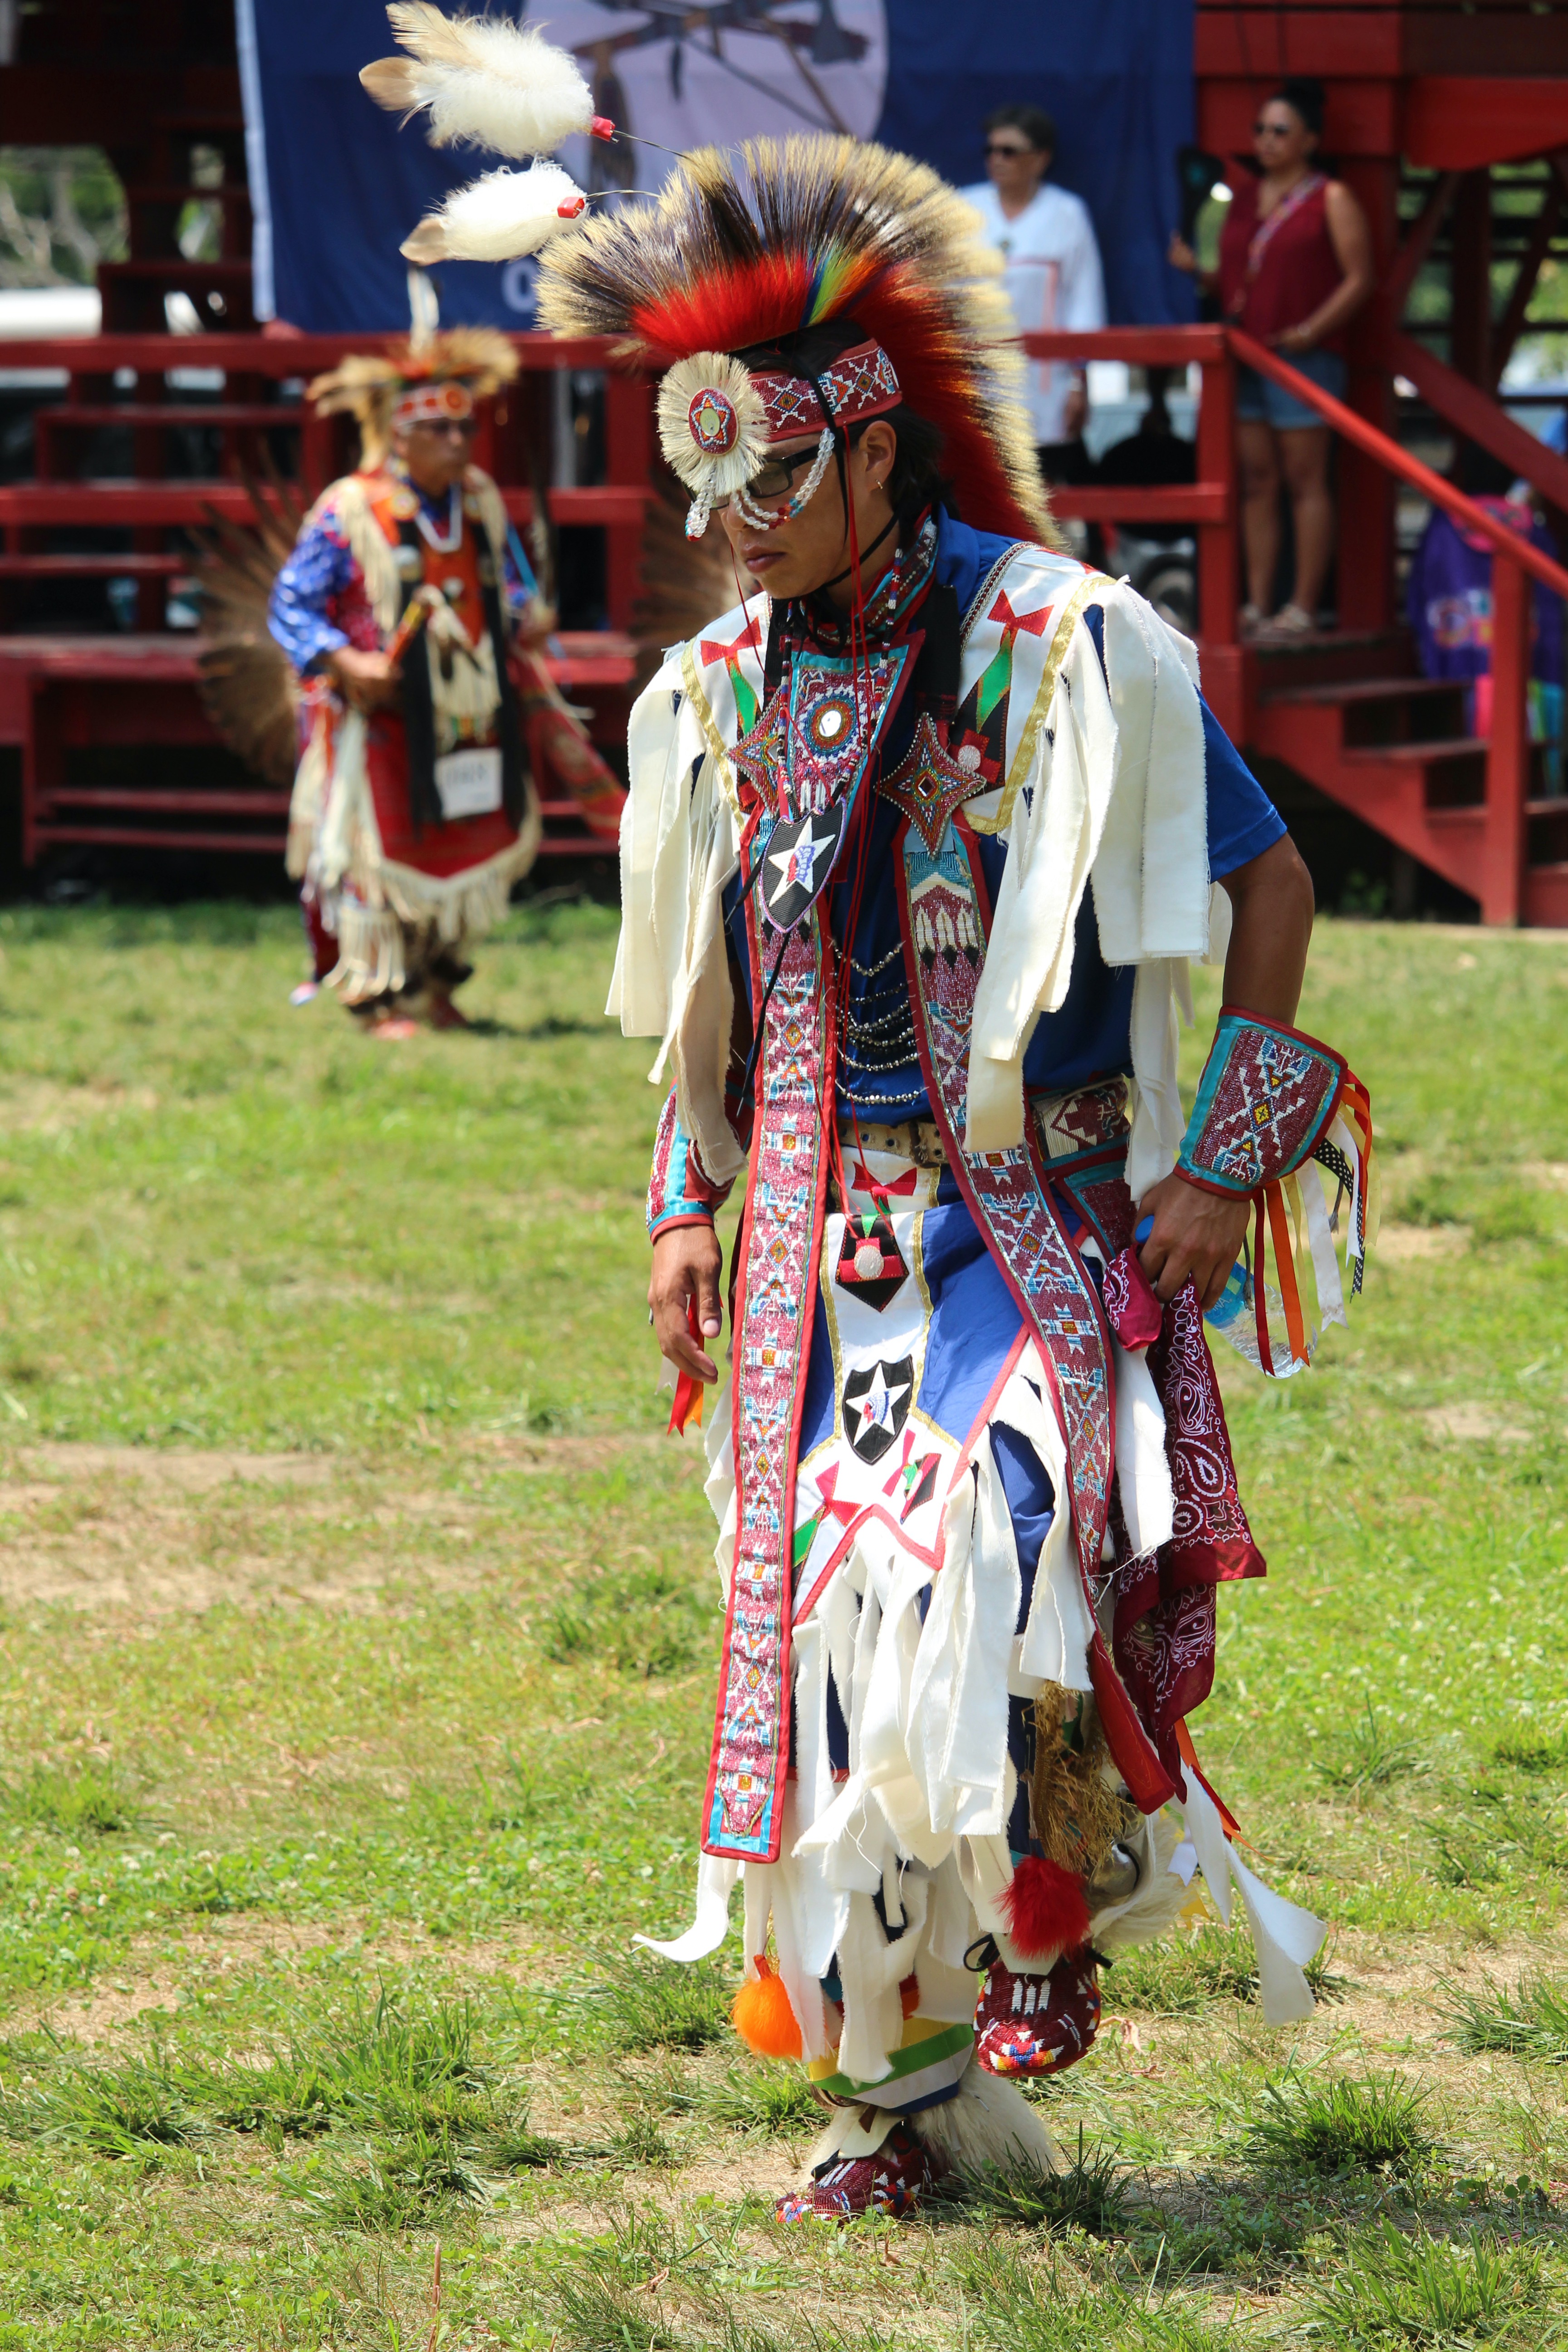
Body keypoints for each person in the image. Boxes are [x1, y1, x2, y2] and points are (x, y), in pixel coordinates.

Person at [535, 130, 1376, 2223]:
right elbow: (718, 980)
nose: (728, 532)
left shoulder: (1058, 640)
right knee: (832, 1649)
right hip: (822, 1242)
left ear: (873, 453)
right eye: (703, 490)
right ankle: (897, 2109)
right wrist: (678, 1197)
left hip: (1034, 1224)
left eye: (767, 486)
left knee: (982, 1574)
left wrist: (1219, 1168)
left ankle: (1038, 1889)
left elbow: (1267, 875)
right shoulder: (735, 686)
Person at [267, 331, 624, 1033]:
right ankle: (376, 995)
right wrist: (345, 661)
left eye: (465, 427)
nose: (458, 442)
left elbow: (506, 586)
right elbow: (291, 604)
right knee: (377, 855)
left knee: (468, 838)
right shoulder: (350, 509)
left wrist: (525, 616)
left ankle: (433, 986)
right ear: (400, 436)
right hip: (383, 713)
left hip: (471, 711)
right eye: (439, 428)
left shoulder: (480, 502)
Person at [1170, 77, 1372, 640]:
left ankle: (1302, 607)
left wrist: (1312, 330)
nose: (1266, 140)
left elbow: (1360, 279)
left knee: (1305, 479)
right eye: (1260, 130)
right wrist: (1197, 271)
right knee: (1257, 480)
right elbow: (1239, 277)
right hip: (1246, 352)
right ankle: (1259, 605)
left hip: (1301, 356)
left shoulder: (1331, 197)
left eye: (1280, 131)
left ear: (1309, 139)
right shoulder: (1241, 198)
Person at [961, 104, 1105, 490]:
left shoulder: (1067, 213)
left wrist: (1079, 382)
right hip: (978, 381)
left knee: (1050, 494)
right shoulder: (963, 208)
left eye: (1009, 151)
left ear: (1041, 158)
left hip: (1047, 383)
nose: (997, 160)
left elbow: (1083, 301)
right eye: (991, 151)